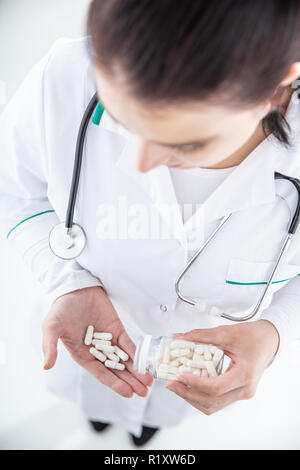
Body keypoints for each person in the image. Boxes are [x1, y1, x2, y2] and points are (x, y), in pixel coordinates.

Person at [1, 0, 300, 447]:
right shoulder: (63, 77)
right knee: (95, 407)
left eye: (186, 142)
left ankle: (145, 427)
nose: (140, 163)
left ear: (278, 88)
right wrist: (67, 282)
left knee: (150, 425)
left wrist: (275, 329)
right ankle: (101, 420)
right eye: (119, 118)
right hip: (78, 351)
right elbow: (16, 192)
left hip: (186, 379)